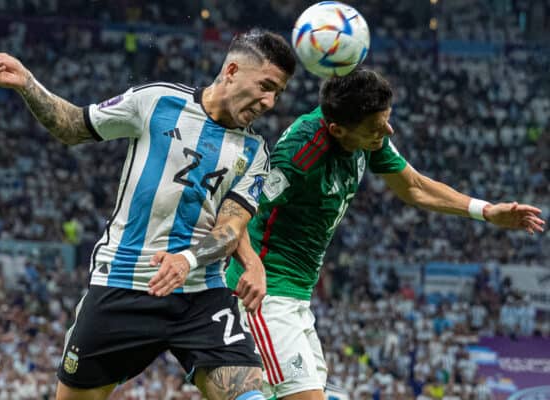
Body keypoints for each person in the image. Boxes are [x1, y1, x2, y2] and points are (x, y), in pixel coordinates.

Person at [0, 28, 296, 400]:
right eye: (265, 86)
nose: (270, 102)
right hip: (124, 284)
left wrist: (187, 260)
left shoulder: (256, 153)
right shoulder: (157, 102)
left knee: (251, 395)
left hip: (200, 294)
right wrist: (28, 83)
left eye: (278, 93)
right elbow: (74, 126)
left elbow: (230, 229)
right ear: (231, 71)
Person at [226, 69, 545, 400]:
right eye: (377, 129)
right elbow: (237, 214)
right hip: (266, 297)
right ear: (337, 129)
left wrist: (486, 210)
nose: (387, 132)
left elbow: (414, 186)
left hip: (297, 298)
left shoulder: (363, 131)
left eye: (386, 123)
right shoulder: (298, 157)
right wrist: (251, 265)